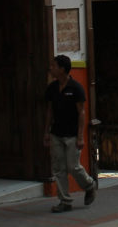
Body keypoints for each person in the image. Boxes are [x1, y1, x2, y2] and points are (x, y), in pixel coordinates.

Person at [44, 55, 97, 213]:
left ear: (62, 69)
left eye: (53, 66)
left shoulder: (76, 88)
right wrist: (46, 132)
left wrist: (80, 136)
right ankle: (65, 201)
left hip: (72, 134)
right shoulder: (52, 88)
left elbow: (81, 112)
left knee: (73, 166)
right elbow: (49, 111)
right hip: (56, 133)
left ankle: (89, 185)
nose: (51, 69)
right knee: (58, 168)